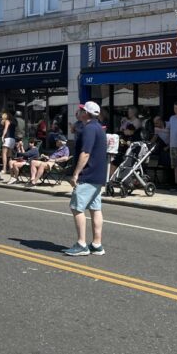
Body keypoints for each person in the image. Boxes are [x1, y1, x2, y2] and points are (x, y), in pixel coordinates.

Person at [64, 101, 107, 257]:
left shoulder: (89, 129)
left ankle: (82, 244)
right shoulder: (98, 128)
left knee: (77, 207)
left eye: (81, 110)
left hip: (88, 175)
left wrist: (75, 174)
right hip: (98, 175)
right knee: (95, 209)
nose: (79, 111)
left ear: (86, 113)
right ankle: (97, 244)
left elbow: (85, 153)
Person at [0, 112, 16, 176]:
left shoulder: (7, 121)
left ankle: (4, 169)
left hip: (7, 138)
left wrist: (3, 136)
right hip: (13, 139)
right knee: (9, 155)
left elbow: (6, 129)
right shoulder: (13, 122)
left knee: (4, 154)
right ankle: (10, 169)